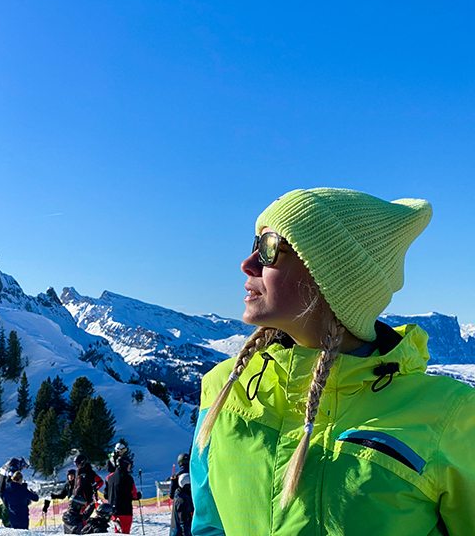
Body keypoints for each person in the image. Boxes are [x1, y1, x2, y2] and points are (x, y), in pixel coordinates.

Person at [190, 188, 475, 536]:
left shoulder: (452, 416)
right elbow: (209, 527)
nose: (247, 264)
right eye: (254, 245)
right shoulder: (224, 388)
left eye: (268, 249)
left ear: (330, 277)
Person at [104, 457, 140, 534]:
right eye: (129, 465)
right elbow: (133, 495)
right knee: (125, 532)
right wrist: (138, 496)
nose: (129, 468)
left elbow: (105, 495)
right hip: (125, 510)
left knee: (117, 532)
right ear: (125, 465)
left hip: (113, 510)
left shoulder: (109, 477)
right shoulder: (128, 478)